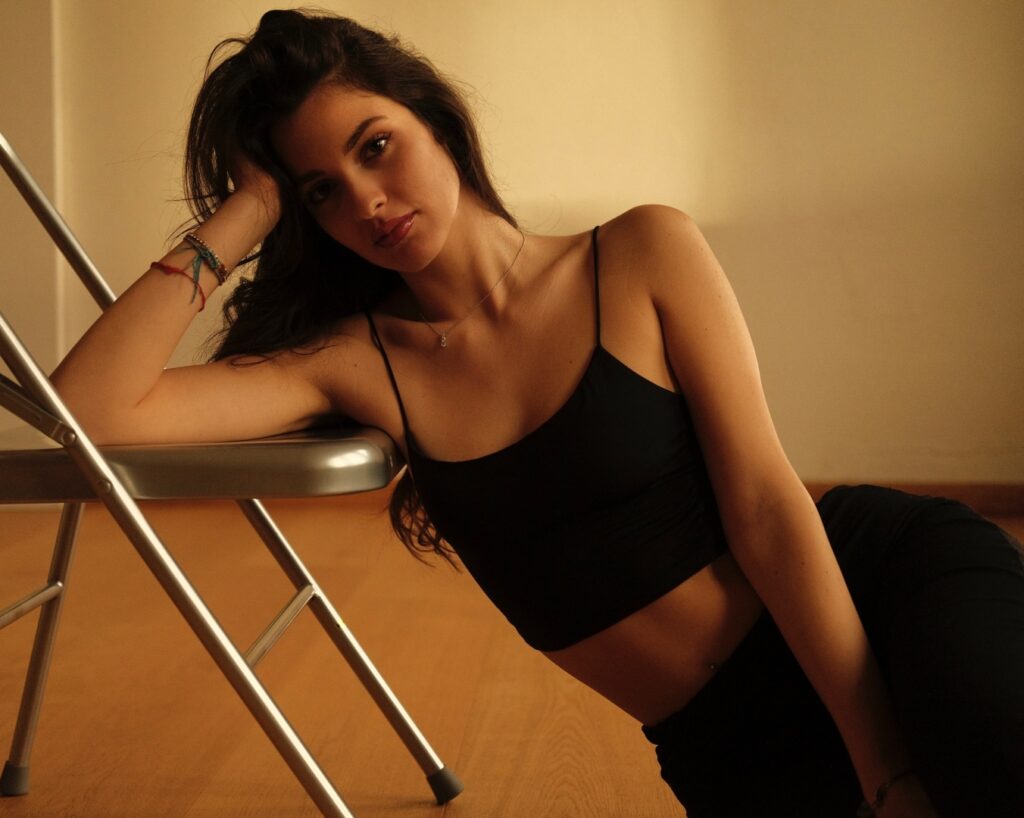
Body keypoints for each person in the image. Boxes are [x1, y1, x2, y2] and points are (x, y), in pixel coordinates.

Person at [51, 9, 1023, 818]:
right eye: (323, 190)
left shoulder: (640, 254)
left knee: (992, 764)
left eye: (376, 146)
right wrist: (246, 210)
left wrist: (884, 768)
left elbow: (770, 508)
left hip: (873, 606)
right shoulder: (353, 363)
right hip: (720, 745)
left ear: (435, 119)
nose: (368, 200)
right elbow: (89, 407)